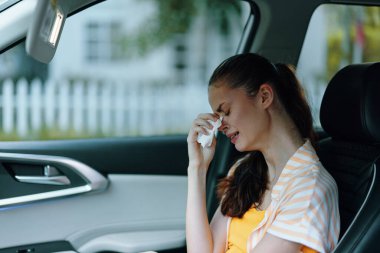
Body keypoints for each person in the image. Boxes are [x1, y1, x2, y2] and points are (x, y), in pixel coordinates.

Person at [186, 53, 340, 253]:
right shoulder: (244, 171)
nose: (220, 126)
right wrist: (197, 168)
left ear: (264, 97)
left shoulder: (310, 189)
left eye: (226, 111)